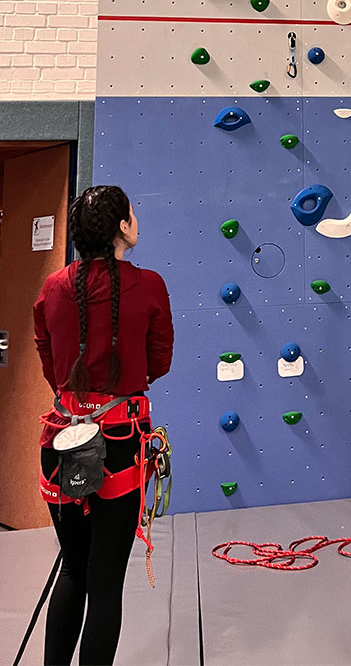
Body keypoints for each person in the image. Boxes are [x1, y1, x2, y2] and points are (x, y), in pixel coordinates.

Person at [33, 186, 174, 666]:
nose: (137, 218)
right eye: (132, 212)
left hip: (61, 439)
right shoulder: (149, 285)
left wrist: (78, 394)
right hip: (118, 443)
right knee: (105, 580)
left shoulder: (54, 287)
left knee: (73, 567)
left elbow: (47, 355)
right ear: (121, 227)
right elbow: (161, 360)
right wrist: (122, 386)